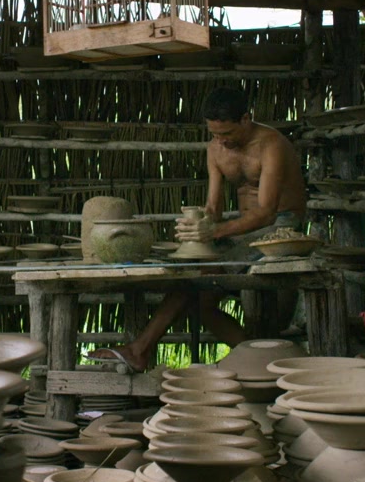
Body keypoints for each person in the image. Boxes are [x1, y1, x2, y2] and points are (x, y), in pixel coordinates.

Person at [84, 87, 308, 372]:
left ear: (246, 119)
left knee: (197, 278)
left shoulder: (271, 144)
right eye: (214, 133)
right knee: (196, 296)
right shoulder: (215, 149)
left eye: (227, 133)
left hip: (282, 228)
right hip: (243, 231)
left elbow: (267, 212)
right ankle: (260, 360)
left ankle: (139, 350)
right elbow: (213, 209)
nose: (221, 140)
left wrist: (213, 233)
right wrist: (199, 224)